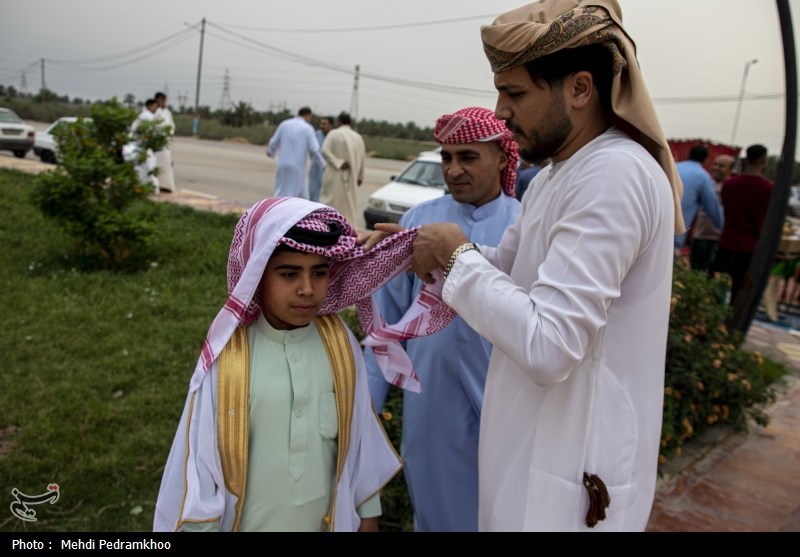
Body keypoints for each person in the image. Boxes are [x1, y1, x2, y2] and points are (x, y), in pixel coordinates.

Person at [375, 0, 685, 531]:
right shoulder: (564, 174)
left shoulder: (613, 175)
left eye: (515, 93)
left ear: (580, 89)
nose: (500, 112)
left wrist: (455, 255)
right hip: (537, 457)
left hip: (572, 481)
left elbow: (548, 343)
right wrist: (416, 250)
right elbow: (507, 273)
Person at [153, 196, 462, 532]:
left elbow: (359, 443)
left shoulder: (338, 342)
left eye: (319, 273)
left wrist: (368, 516)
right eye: (289, 274)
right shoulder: (228, 356)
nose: (307, 289)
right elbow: (197, 472)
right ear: (257, 274)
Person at [365, 107, 521, 532]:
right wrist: (369, 402)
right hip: (433, 397)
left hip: (504, 395)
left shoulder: (523, 226)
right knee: (435, 507)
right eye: (447, 157)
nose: (453, 170)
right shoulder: (419, 220)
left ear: (503, 158)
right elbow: (386, 316)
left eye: (468, 157)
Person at [709, 144, 774, 305]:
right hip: (749, 247)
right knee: (739, 293)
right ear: (763, 161)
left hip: (727, 241)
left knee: (714, 286)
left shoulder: (730, 185)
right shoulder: (768, 189)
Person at [674, 144, 723, 255]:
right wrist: (722, 228)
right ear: (705, 160)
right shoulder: (703, 177)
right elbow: (712, 207)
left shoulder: (674, 167)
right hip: (674, 237)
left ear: (689, 155)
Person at [267, 107, 326, 199]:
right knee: (299, 196)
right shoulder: (307, 128)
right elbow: (314, 149)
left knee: (280, 192)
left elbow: (273, 142)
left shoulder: (284, 124)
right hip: (297, 167)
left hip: (282, 165)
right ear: (308, 115)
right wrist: (323, 164)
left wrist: (270, 152)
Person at [320, 112, 366, 227]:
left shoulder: (333, 134)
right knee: (349, 205)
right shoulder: (358, 137)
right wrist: (360, 176)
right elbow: (362, 158)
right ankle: (347, 229)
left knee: (332, 203)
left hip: (335, 175)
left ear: (339, 122)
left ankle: (328, 226)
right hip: (352, 177)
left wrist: (338, 163)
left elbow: (324, 150)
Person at [690, 154, 735, 270]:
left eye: (721, 166)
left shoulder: (729, 188)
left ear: (730, 170)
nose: (716, 168)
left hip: (714, 239)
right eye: (715, 164)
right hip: (698, 235)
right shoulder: (707, 184)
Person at [124, 98, 160, 193]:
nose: (156, 108)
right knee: (148, 166)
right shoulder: (148, 116)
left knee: (141, 167)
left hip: (135, 146)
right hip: (141, 146)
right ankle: (150, 189)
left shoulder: (142, 115)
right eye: (155, 106)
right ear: (150, 106)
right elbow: (151, 132)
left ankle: (141, 187)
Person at [153, 92, 177, 193]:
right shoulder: (154, 111)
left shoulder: (167, 112)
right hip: (156, 141)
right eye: (161, 100)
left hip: (165, 141)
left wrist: (169, 131)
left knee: (166, 163)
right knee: (154, 163)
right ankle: (155, 184)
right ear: (157, 100)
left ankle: (166, 185)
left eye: (164, 100)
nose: (163, 102)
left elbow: (172, 125)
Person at [308, 116, 333, 203]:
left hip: (328, 170)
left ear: (330, 125)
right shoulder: (316, 135)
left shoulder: (333, 136)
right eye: (321, 123)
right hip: (315, 169)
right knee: (313, 193)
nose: (321, 126)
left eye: (324, 124)